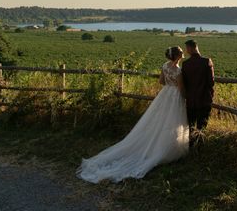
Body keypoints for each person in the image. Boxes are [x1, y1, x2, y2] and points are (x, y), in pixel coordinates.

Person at [76, 47, 189, 183]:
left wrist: (169, 85)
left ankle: (159, 145)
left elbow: (161, 81)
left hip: (165, 94)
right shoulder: (178, 71)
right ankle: (167, 148)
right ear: (177, 56)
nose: (183, 53)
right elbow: (182, 89)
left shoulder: (164, 66)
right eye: (181, 52)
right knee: (171, 122)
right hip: (174, 96)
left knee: (159, 120)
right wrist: (185, 98)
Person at [181, 39, 215, 146]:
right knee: (201, 127)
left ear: (191, 48)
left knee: (190, 126)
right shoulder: (207, 61)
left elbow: (184, 83)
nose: (186, 51)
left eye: (187, 49)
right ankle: (199, 148)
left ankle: (190, 147)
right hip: (204, 99)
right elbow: (211, 81)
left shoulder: (186, 64)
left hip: (191, 100)